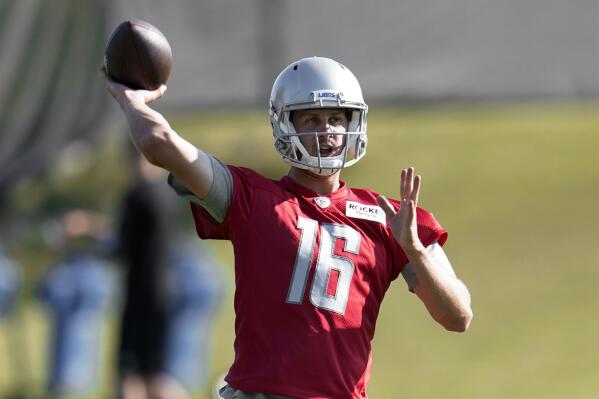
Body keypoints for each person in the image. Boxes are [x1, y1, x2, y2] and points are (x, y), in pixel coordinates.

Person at [102, 56, 473, 399]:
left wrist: (414, 249)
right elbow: (159, 143)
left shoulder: (390, 217)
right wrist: (132, 102)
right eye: (311, 119)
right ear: (285, 123)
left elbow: (457, 316)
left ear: (353, 124)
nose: (326, 131)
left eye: (336, 119)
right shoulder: (250, 197)